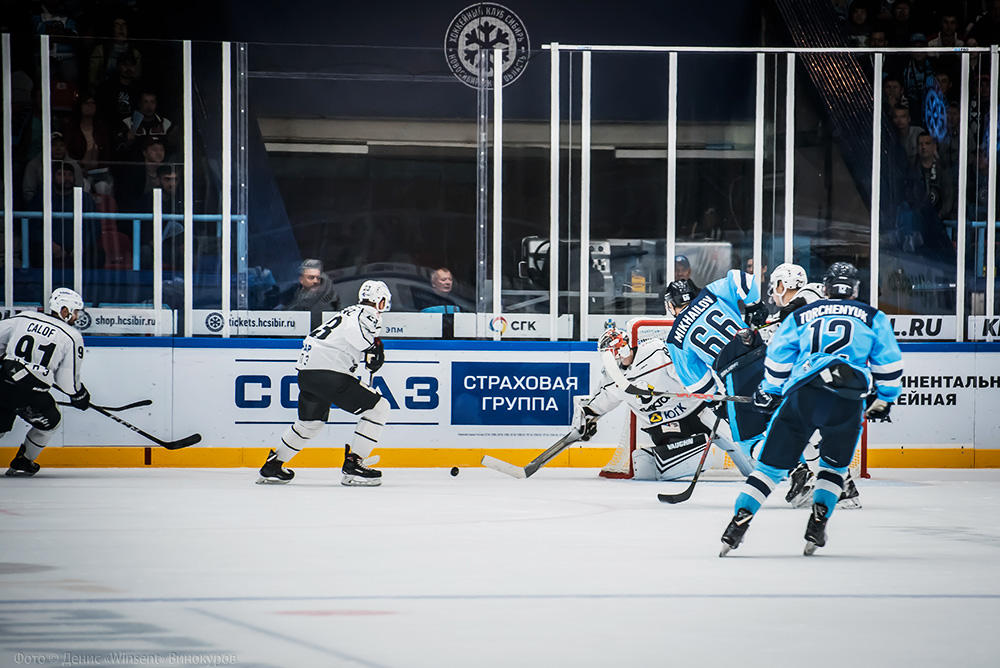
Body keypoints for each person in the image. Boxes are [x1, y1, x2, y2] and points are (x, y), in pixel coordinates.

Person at [719, 263, 902, 556]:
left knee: (768, 468)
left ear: (826, 288)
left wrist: (771, 391)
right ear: (855, 290)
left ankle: (737, 525)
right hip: (848, 400)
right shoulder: (873, 317)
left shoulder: (803, 313)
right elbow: (890, 365)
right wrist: (885, 398)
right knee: (833, 468)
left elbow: (778, 360)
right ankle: (818, 522)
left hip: (806, 392)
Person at [258, 280, 392, 486]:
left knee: (309, 424)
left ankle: (274, 465)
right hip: (330, 373)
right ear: (380, 301)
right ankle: (354, 465)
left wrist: (370, 351)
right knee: (379, 408)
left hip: (307, 374)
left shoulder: (347, 312)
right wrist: (372, 348)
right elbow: (356, 335)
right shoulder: (366, 313)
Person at [574, 327, 754, 480]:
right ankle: (680, 454)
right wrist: (588, 418)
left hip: (696, 411)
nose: (614, 358)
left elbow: (685, 372)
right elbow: (600, 402)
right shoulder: (612, 376)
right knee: (644, 468)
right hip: (663, 427)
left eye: (615, 351)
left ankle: (762, 470)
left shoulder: (656, 352)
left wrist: (703, 391)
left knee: (734, 440)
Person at [663, 271, 768, 464]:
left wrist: (715, 403)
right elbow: (743, 279)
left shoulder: (675, 338)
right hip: (765, 357)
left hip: (737, 377)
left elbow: (696, 380)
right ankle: (815, 463)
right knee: (784, 417)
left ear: (672, 305)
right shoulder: (711, 293)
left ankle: (796, 467)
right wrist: (755, 304)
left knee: (748, 441)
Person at [2, 288, 90, 477]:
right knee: (51, 422)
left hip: (4, 384)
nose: (76, 317)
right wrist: (79, 394)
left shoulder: (22, 319)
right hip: (31, 395)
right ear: (64, 310)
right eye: (74, 312)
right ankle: (24, 460)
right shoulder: (71, 336)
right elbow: (67, 381)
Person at [275, 259, 341, 329]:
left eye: (318, 278)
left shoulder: (332, 299)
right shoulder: (288, 297)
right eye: (311, 278)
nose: (316, 281)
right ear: (301, 280)